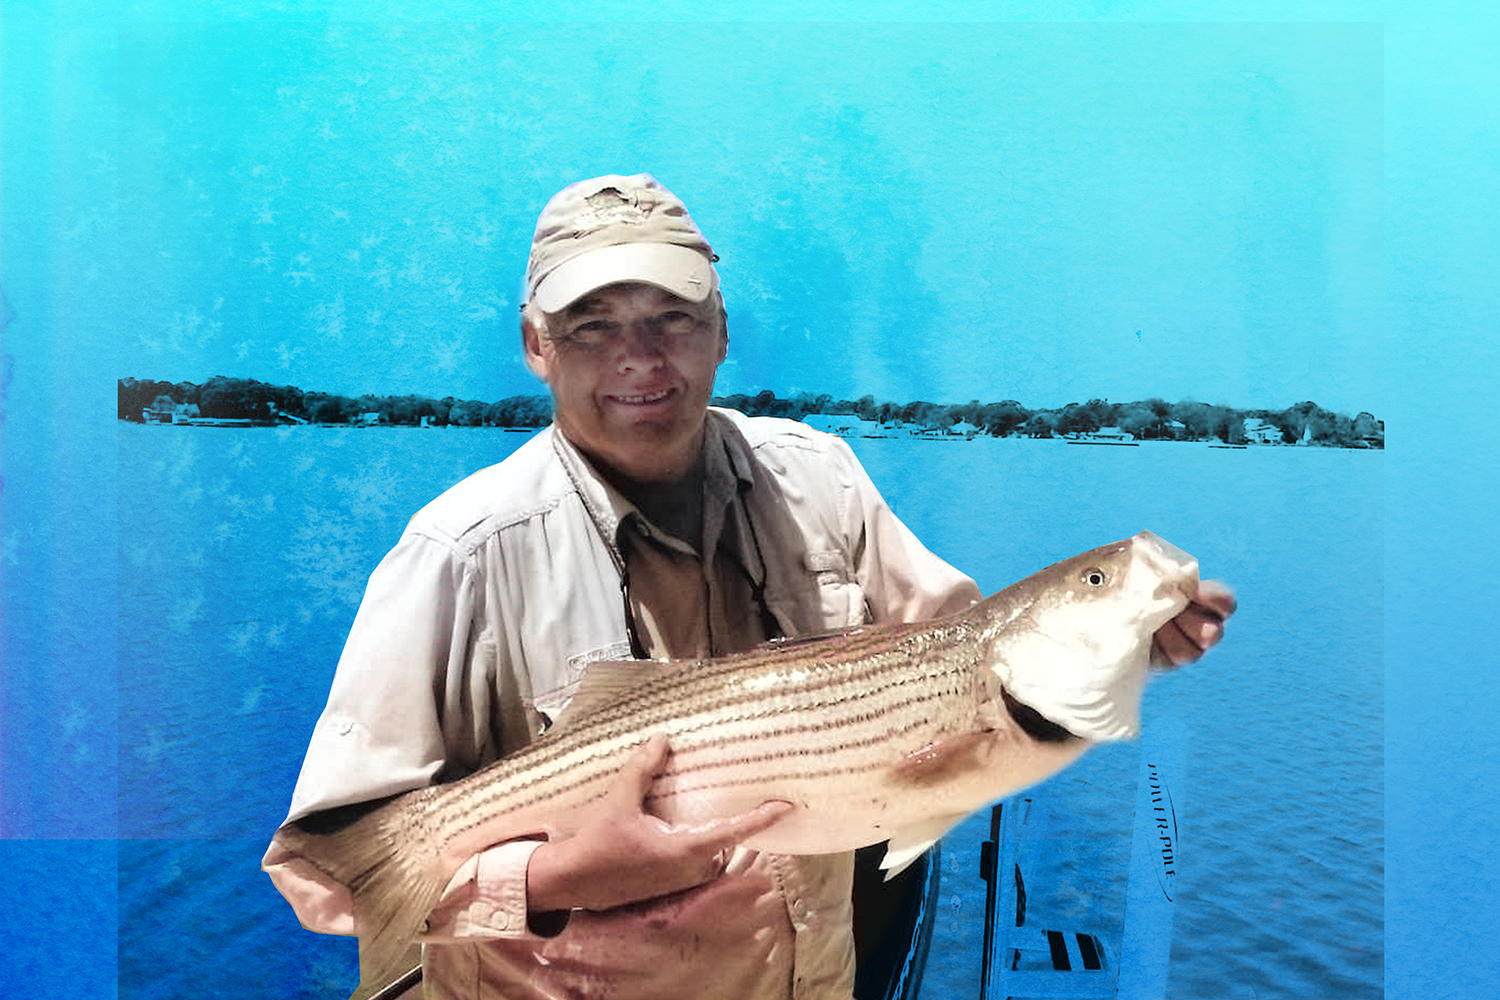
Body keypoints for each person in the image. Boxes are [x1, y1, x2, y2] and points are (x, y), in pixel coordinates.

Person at [263, 173, 1234, 1000]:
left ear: (721, 330)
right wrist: (558, 875)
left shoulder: (821, 479)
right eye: (593, 326)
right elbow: (325, 870)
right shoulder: (460, 552)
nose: (640, 358)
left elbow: (968, 659)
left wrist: (1125, 645)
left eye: (673, 318)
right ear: (535, 345)